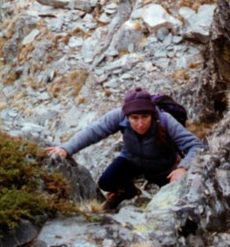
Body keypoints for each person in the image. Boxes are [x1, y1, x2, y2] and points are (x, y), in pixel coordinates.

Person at [46, 86, 205, 210]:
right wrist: (66, 149)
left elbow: (196, 146)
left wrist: (183, 168)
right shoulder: (119, 115)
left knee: (172, 204)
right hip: (132, 160)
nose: (140, 123)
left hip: (164, 169)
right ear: (127, 116)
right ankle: (129, 191)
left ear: (152, 114)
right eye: (134, 118)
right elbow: (93, 131)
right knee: (106, 182)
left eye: (145, 117)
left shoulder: (165, 121)